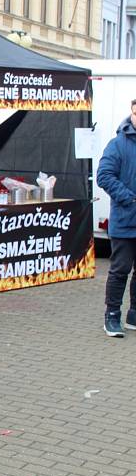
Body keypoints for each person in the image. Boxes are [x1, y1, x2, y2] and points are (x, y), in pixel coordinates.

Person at [97, 99, 136, 338]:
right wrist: (129, 198)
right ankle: (112, 316)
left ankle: (134, 316)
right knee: (120, 270)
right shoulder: (118, 144)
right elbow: (104, 176)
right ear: (132, 112)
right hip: (125, 221)